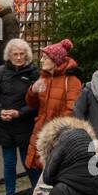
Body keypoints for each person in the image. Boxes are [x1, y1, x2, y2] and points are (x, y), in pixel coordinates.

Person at [0, 38, 40, 195]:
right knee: (9, 164)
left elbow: (38, 102)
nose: (18, 57)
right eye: (15, 54)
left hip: (25, 125)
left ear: (27, 55)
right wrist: (0, 110)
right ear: (8, 55)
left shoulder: (34, 73)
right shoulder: (0, 72)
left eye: (21, 54)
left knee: (30, 164)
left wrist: (20, 113)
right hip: (4, 125)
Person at [24, 40, 84, 172]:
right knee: (36, 169)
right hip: (39, 131)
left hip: (57, 137)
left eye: (45, 58)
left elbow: (71, 111)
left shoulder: (72, 81)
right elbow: (31, 104)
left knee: (53, 171)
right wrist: (32, 91)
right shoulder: (44, 78)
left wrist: (54, 134)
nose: (41, 60)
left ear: (55, 60)